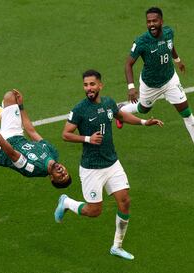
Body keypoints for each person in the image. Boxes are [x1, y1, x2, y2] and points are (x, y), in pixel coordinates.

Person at [54, 69, 163, 260]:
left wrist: (145, 122)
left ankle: (117, 246)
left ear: (100, 86)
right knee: (94, 211)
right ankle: (67, 202)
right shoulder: (79, 109)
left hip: (112, 163)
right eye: (86, 85)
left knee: (125, 201)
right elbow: (66, 134)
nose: (89, 88)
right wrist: (87, 138)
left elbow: (121, 116)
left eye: (92, 84)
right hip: (91, 168)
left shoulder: (108, 103)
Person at [118, 6, 194, 164]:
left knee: (186, 112)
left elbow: (170, 47)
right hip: (150, 85)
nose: (151, 24)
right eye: (148, 22)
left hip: (170, 80)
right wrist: (131, 87)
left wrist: (177, 60)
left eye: (154, 21)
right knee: (143, 109)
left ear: (161, 21)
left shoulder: (169, 32)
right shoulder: (141, 42)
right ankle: (121, 109)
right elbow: (128, 64)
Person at [0, 89, 71, 188]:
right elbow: (32, 132)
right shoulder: (53, 153)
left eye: (61, 177)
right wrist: (21, 106)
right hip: (16, 135)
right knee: (11, 96)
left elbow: (11, 152)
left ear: (52, 178)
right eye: (66, 174)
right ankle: (3, 116)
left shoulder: (33, 169)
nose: (62, 173)